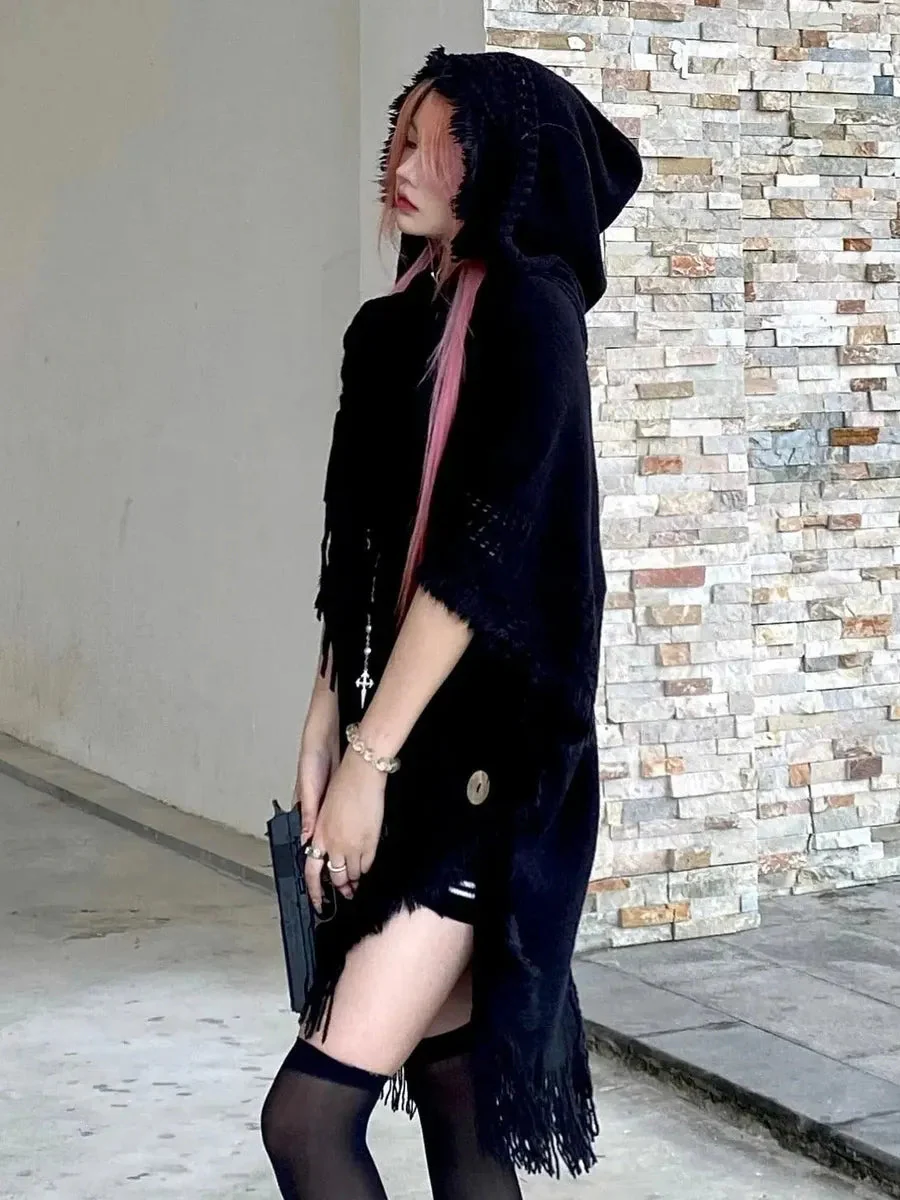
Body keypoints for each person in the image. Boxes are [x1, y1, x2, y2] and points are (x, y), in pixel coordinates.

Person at [260, 45, 642, 1199]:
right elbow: (362, 553)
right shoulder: (391, 328)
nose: (407, 162)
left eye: (445, 143)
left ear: (507, 166)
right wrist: (325, 725)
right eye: (404, 134)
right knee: (456, 1097)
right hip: (399, 741)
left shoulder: (529, 314)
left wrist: (370, 763)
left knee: (308, 1121)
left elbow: (480, 564)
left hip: (480, 777)